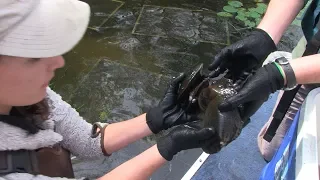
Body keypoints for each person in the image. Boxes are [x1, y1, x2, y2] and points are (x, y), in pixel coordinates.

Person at [0, 0, 218, 179]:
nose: (58, 61)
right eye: (33, 56)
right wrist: (169, 146)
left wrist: (157, 118)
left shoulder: (31, 96)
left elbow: (87, 141)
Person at [208, 0, 320, 161]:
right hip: (311, 52)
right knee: (271, 150)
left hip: (302, 69)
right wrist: (264, 36)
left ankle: (286, 64)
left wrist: (281, 74)